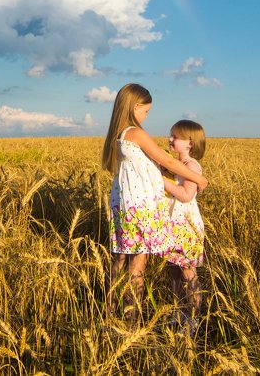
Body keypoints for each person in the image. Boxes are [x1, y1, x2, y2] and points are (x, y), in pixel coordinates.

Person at [102, 83, 209, 322]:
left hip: (124, 205)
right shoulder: (135, 133)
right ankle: (131, 321)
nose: (146, 116)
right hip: (140, 208)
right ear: (135, 106)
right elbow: (168, 162)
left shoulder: (118, 134)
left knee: (121, 259)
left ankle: (110, 314)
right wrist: (199, 178)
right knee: (137, 265)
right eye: (146, 111)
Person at [162, 119, 207, 332]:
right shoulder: (175, 164)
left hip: (186, 226)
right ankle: (179, 311)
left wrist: (161, 181)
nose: (170, 139)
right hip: (173, 223)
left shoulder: (191, 166)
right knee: (173, 271)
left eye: (176, 137)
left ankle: (194, 318)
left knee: (188, 272)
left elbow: (187, 195)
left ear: (190, 143)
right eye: (170, 135)